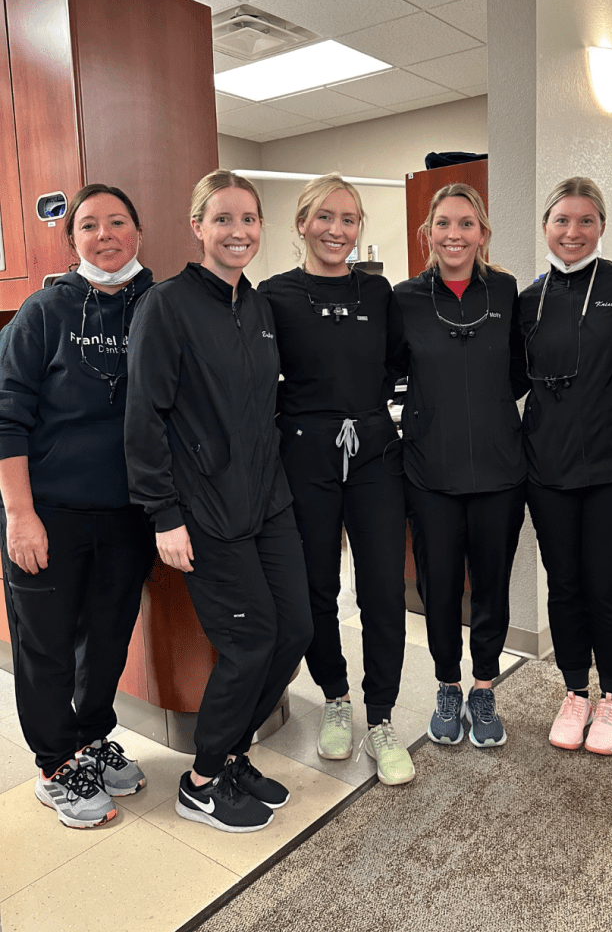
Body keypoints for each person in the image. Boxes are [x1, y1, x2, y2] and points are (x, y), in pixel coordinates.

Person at [125, 170, 313, 833]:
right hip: (206, 512)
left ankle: (233, 752)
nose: (239, 231)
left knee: (295, 630)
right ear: (197, 226)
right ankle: (202, 780)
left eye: (250, 219)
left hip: (268, 503)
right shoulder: (167, 305)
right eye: (224, 219)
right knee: (250, 639)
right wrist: (163, 514)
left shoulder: (257, 308)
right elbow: (143, 416)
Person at [0, 184, 155, 829]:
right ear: (73, 242)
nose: (105, 234)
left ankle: (91, 737)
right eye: (89, 225)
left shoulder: (162, 305)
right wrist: (19, 514)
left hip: (128, 514)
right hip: (50, 512)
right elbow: (6, 417)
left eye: (118, 221)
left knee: (109, 638)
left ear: (138, 233)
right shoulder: (43, 312)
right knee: (46, 644)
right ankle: (55, 763)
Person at [257, 174, 414, 787]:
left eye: (349, 220)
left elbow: (397, 363)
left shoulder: (378, 293)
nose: (336, 230)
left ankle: (380, 717)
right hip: (304, 454)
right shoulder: (274, 295)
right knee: (317, 585)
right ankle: (337, 699)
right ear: (301, 224)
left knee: (381, 589)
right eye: (324, 217)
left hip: (374, 453)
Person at [394, 183, 528, 748]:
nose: (455, 235)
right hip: (430, 471)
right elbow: (392, 371)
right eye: (444, 224)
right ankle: (447, 684)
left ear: (483, 233)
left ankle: (484, 686)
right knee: (439, 587)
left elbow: (519, 370)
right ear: (429, 233)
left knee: (492, 586)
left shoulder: (505, 289)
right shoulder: (403, 298)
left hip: (500, 468)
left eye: (466, 224)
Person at [520, 177, 612, 756]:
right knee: (565, 587)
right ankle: (575, 691)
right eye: (562, 221)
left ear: (601, 226)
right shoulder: (530, 299)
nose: (573, 232)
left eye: (585, 221)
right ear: (546, 226)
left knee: (607, 588)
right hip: (547, 470)